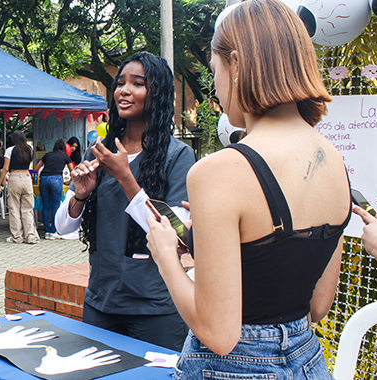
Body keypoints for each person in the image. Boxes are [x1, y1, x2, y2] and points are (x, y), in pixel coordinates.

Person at [145, 1, 350, 377]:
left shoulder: (220, 171)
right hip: (308, 360)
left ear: (236, 65)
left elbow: (219, 334)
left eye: (215, 71)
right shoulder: (335, 161)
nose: (216, 90)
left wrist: (165, 257)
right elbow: (318, 304)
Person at [55, 51, 196, 351]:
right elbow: (63, 226)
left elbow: (177, 233)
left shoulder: (178, 156)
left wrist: (125, 178)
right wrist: (81, 193)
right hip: (101, 303)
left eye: (138, 83)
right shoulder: (99, 152)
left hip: (155, 308)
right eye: (121, 83)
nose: (125, 90)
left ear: (156, 92)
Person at [0, 130, 40, 244]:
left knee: (14, 209)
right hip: (27, 177)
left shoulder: (10, 150)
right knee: (28, 209)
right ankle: (31, 236)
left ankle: (17, 237)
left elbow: (5, 168)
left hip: (14, 178)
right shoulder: (29, 148)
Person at [34, 139, 74, 239]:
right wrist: (69, 180)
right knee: (56, 206)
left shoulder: (47, 155)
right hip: (56, 179)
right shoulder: (65, 156)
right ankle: (53, 232)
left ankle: (46, 232)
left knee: (46, 206)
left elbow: (35, 169)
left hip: (43, 179)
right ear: (64, 148)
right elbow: (72, 172)